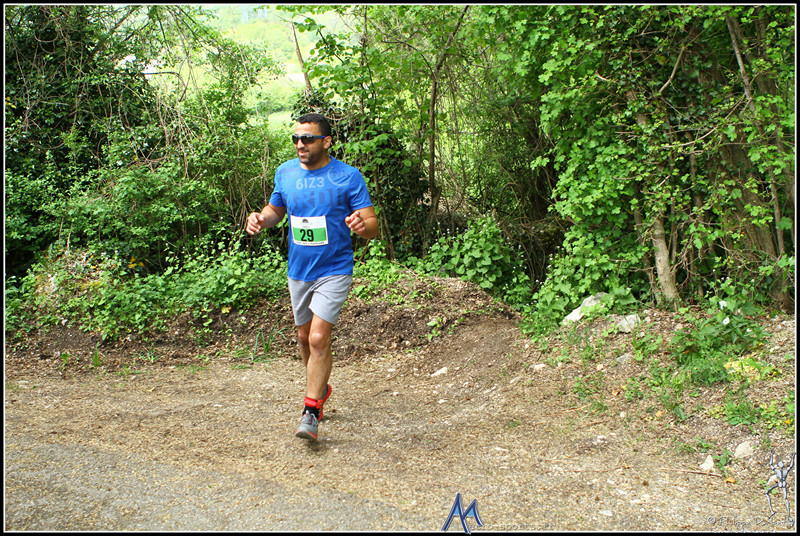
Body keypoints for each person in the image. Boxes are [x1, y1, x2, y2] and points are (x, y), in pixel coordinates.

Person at [246, 113, 378, 441]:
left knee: (318, 338)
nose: (300, 144)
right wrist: (261, 219)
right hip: (299, 269)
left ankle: (311, 411)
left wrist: (362, 227)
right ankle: (320, 387)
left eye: (307, 138)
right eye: (296, 138)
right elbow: (276, 210)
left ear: (326, 141)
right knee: (304, 338)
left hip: (334, 268)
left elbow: (372, 226)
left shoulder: (347, 176)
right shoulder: (285, 172)